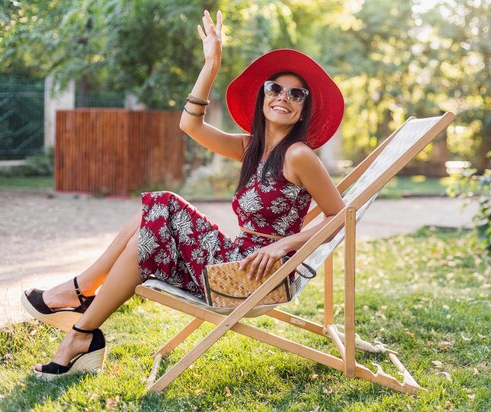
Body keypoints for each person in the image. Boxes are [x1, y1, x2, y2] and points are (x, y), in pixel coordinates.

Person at [21, 10, 345, 379]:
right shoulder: (250, 147)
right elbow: (189, 124)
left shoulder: (299, 154)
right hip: (235, 259)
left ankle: (78, 300)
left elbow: (339, 217)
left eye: (295, 94)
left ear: (303, 107)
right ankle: (81, 332)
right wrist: (211, 63)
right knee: (146, 237)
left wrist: (283, 246)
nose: (283, 97)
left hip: (256, 273)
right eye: (275, 88)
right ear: (262, 95)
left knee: (162, 204)